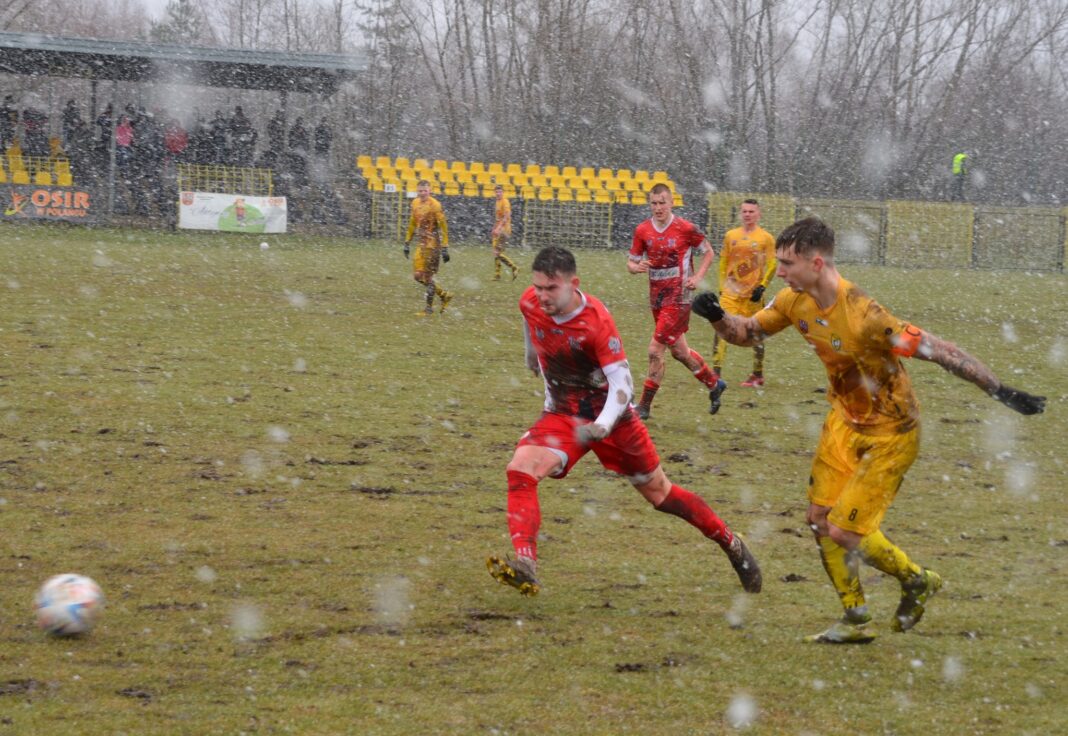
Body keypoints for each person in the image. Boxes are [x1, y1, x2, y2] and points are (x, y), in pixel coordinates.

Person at [692, 217, 1045, 643]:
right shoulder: (792, 301)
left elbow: (939, 350)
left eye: (787, 263)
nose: (779, 272)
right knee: (820, 520)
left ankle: (916, 580)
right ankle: (855, 617)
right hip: (843, 421)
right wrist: (716, 317)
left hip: (892, 433)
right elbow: (746, 333)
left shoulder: (865, 315)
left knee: (844, 530)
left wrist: (1000, 389)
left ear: (816, 263)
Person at [487, 246, 762, 598]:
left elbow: (623, 384)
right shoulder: (531, 301)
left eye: (551, 289)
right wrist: (530, 355)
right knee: (520, 470)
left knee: (661, 495)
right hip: (562, 415)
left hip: (614, 421)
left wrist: (601, 426)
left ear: (574, 284)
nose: (542, 296)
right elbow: (528, 316)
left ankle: (731, 543)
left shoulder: (596, 320)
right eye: (538, 287)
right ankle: (526, 563)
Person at [628, 182, 724, 420]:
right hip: (657, 298)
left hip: (680, 296)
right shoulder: (642, 231)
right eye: (654, 203)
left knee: (655, 349)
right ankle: (714, 384)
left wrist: (697, 277)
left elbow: (709, 252)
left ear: (672, 203)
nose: (658, 207)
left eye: (663, 202)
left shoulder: (685, 228)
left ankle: (644, 407)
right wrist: (636, 267)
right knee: (679, 352)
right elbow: (631, 264)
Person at [713, 198, 777, 389]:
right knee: (721, 329)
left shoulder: (766, 238)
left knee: (756, 333)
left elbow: (773, 264)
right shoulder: (730, 235)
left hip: (753, 295)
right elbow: (723, 262)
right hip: (731, 293)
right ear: (740, 213)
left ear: (759, 214)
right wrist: (722, 286)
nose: (747, 214)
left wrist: (763, 286)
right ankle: (715, 373)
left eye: (751, 211)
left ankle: (757, 373)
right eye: (745, 211)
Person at [403, 179, 453, 316]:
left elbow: (443, 226)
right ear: (417, 191)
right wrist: (407, 242)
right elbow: (413, 223)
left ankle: (428, 309)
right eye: (420, 191)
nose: (422, 193)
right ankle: (444, 295)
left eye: (425, 190)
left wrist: (445, 247)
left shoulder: (435, 205)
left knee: (428, 277)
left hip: (433, 246)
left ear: (430, 191)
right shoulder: (415, 203)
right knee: (418, 276)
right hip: (422, 245)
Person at [490, 184, 518, 281]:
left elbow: (507, 216)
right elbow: (498, 218)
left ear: (503, 192)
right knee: (497, 252)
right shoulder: (497, 202)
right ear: (495, 193)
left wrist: (499, 229)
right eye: (497, 192)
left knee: (496, 252)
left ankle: (514, 267)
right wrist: (494, 228)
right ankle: (497, 274)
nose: (498, 193)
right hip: (499, 229)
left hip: (504, 230)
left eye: (500, 191)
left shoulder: (505, 201)